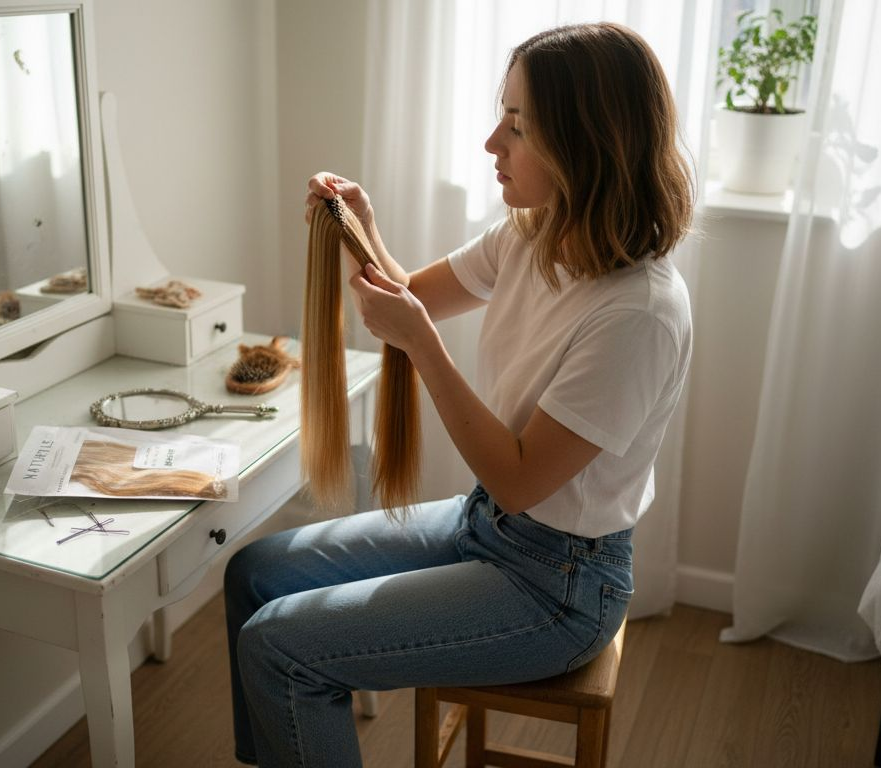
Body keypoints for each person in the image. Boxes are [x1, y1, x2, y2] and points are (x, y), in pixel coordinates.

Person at [225, 21, 694, 766]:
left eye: (517, 125)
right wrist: (365, 226)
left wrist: (421, 344)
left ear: (584, 144)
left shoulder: (638, 315)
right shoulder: (534, 235)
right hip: (489, 528)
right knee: (253, 575)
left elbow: (514, 477)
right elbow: (408, 298)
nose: (491, 144)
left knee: (279, 647)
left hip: (561, 587)